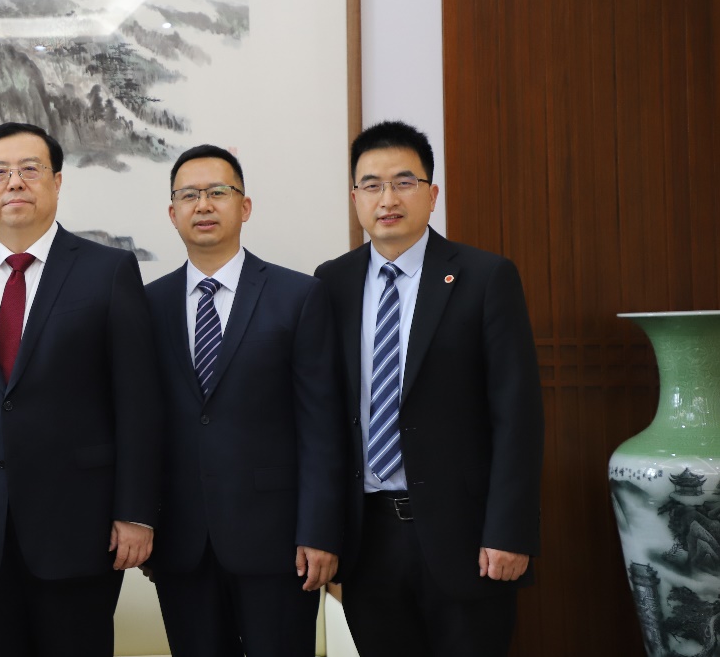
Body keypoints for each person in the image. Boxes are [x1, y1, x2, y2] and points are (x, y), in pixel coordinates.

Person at [0, 122, 162, 657]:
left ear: (57, 181)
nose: (14, 182)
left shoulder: (108, 272)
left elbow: (139, 404)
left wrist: (135, 511)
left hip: (81, 526)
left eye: (29, 169)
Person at [313, 120, 543, 657]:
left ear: (432, 194)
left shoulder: (485, 277)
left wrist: (509, 532)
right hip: (368, 539)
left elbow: (518, 416)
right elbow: (322, 417)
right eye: (372, 185)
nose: (387, 199)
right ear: (355, 198)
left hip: (467, 536)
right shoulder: (330, 283)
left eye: (404, 182)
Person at [143, 144, 345, 656]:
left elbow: (322, 427)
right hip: (181, 544)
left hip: (279, 544)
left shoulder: (297, 296)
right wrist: (144, 520)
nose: (203, 205)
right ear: (172, 213)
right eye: (189, 195)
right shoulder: (147, 304)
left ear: (245, 206)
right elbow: (140, 425)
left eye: (218, 192)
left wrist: (320, 531)